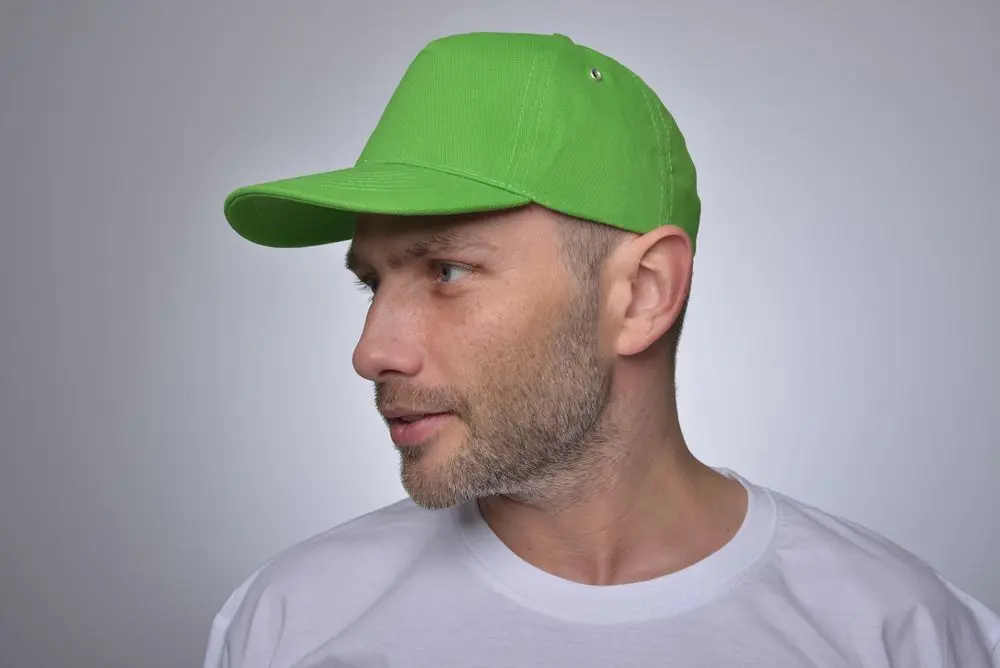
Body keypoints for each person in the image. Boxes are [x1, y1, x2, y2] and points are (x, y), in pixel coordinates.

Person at [204, 31, 999, 667]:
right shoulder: (293, 622)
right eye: (372, 283)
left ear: (643, 293)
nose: (372, 351)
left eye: (446, 271)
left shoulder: (900, 633)